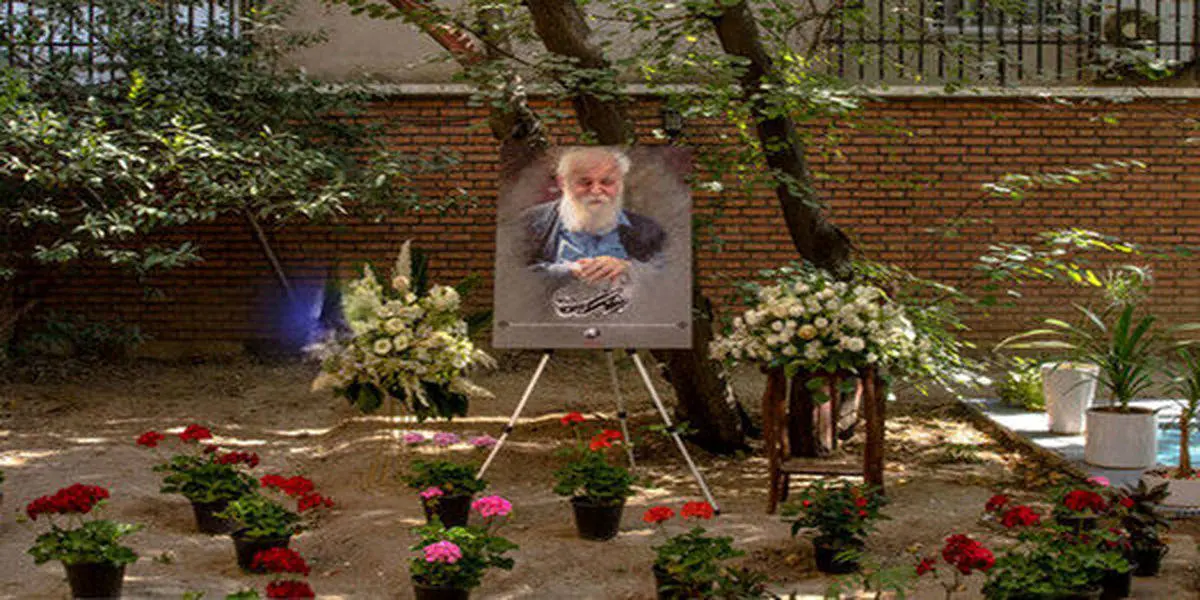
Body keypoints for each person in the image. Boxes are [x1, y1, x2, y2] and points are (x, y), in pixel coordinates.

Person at [522, 147, 666, 286]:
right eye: (585, 182)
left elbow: (668, 274)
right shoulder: (529, 223)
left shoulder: (649, 230)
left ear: (620, 183)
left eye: (606, 182)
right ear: (562, 183)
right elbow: (514, 275)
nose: (596, 190)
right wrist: (566, 272)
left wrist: (629, 268)